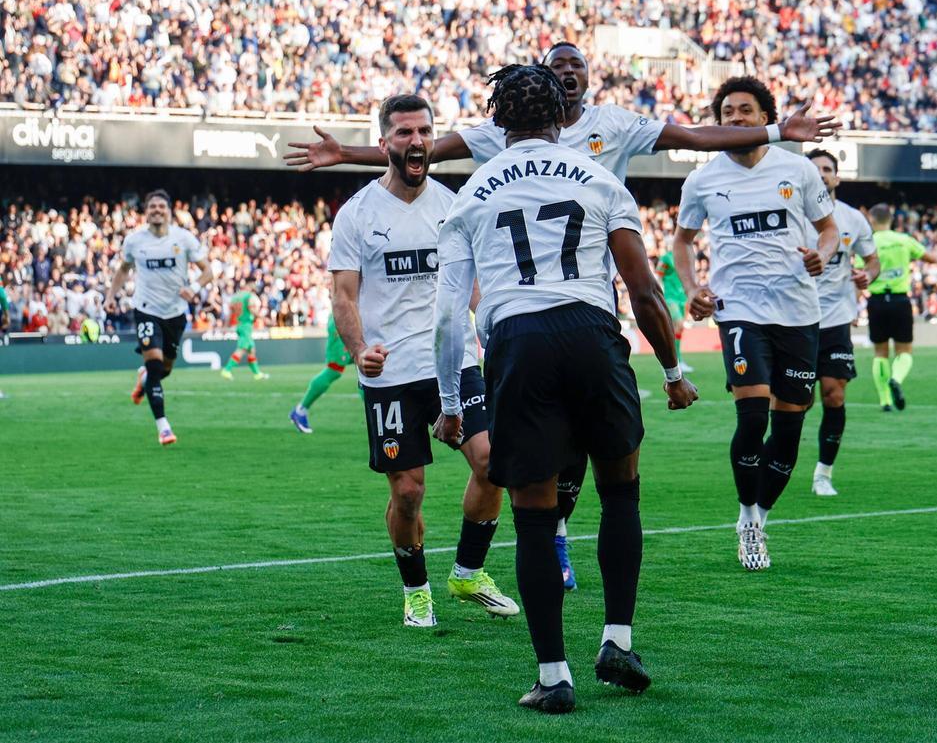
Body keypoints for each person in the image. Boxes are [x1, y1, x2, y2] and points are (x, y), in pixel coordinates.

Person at [287, 40, 839, 590]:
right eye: (559, 66)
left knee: (570, 439)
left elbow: (693, 138)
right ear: (548, 88)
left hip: (589, 301)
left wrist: (776, 133)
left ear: (586, 79)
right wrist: (351, 155)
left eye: (578, 63)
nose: (569, 71)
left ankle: (536, 556)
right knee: (567, 450)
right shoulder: (501, 142)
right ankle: (557, 553)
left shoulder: (612, 125)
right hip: (527, 309)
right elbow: (421, 150)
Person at [432, 64, 698, 713]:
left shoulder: (471, 194)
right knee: (620, 491)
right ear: (561, 117)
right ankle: (618, 640)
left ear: (499, 122)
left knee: (534, 515)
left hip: (519, 343)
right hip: (591, 332)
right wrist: (671, 370)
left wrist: (448, 404)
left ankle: (554, 676)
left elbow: (447, 317)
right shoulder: (601, 179)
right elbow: (643, 291)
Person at [327, 93, 519, 628]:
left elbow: (476, 285)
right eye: (405, 133)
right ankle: (416, 590)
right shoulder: (357, 213)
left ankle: (467, 571)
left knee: (492, 461)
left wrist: (503, 328)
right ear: (384, 141)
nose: (417, 141)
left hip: (454, 361)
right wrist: (359, 349)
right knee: (408, 491)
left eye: (424, 132)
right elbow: (344, 295)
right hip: (390, 372)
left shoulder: (454, 204)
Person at [673, 77, 838, 572]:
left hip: (798, 312)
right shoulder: (702, 179)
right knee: (753, 418)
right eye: (728, 112)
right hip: (739, 310)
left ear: (767, 119)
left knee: (788, 431)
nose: (737, 119)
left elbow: (828, 231)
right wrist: (694, 287)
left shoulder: (798, 170)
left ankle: (760, 515)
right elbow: (682, 242)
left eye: (746, 110)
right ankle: (746, 519)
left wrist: (821, 257)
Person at [103, 189, 214, 445]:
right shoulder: (134, 241)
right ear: (146, 211)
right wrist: (111, 296)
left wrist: (194, 288)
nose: (156, 210)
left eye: (161, 206)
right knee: (154, 364)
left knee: (164, 369)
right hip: (146, 309)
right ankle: (163, 427)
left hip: (175, 313)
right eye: (152, 206)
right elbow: (123, 269)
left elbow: (207, 271)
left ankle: (144, 379)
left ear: (169, 211)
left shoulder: (184, 239)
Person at [806, 150, 881, 495]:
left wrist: (868, 275)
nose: (821, 174)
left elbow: (873, 260)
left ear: (837, 178)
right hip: (795, 319)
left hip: (836, 318)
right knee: (797, 402)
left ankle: (824, 473)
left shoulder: (853, 219)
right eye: (814, 169)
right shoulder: (790, 216)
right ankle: (778, 462)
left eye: (827, 169)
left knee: (834, 395)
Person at [865, 204, 937, 411]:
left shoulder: (868, 242)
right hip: (900, 301)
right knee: (904, 350)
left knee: (880, 353)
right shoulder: (903, 240)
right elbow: (931, 258)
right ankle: (896, 379)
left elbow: (858, 270)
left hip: (877, 301)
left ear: (871, 220)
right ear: (892, 220)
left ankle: (885, 401)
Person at [289, 314, 356, 433]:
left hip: (354, 318)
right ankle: (300, 410)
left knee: (365, 367)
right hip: (343, 318)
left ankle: (374, 413)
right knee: (333, 370)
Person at [656, 246, 693, 374]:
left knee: (679, 329)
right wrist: (659, 294)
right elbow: (658, 276)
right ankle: (673, 361)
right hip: (670, 297)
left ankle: (678, 361)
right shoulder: (666, 258)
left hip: (682, 297)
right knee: (678, 324)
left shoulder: (685, 256)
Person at [220, 286, 269, 380]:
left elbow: (230, 313)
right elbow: (251, 309)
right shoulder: (248, 296)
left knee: (252, 350)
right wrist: (262, 318)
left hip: (239, 324)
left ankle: (257, 374)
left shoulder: (234, 298)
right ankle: (227, 370)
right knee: (241, 349)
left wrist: (226, 326)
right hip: (246, 325)